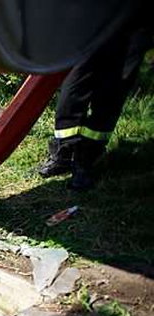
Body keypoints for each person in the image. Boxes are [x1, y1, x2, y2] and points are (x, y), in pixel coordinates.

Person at [37, 19, 152, 191]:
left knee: (114, 89)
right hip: (95, 15)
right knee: (76, 81)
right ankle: (64, 153)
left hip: (136, 19)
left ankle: (86, 160)